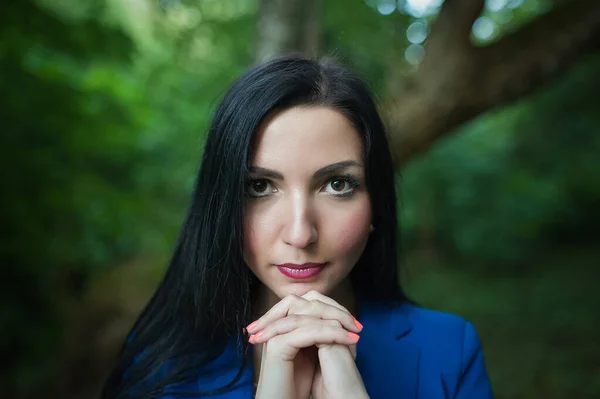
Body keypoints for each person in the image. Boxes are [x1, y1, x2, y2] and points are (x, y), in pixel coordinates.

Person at [101, 54, 494, 399]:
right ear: (221, 205)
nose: (300, 234)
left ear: (377, 203)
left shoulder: (449, 351)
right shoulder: (161, 364)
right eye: (260, 187)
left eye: (337, 185)